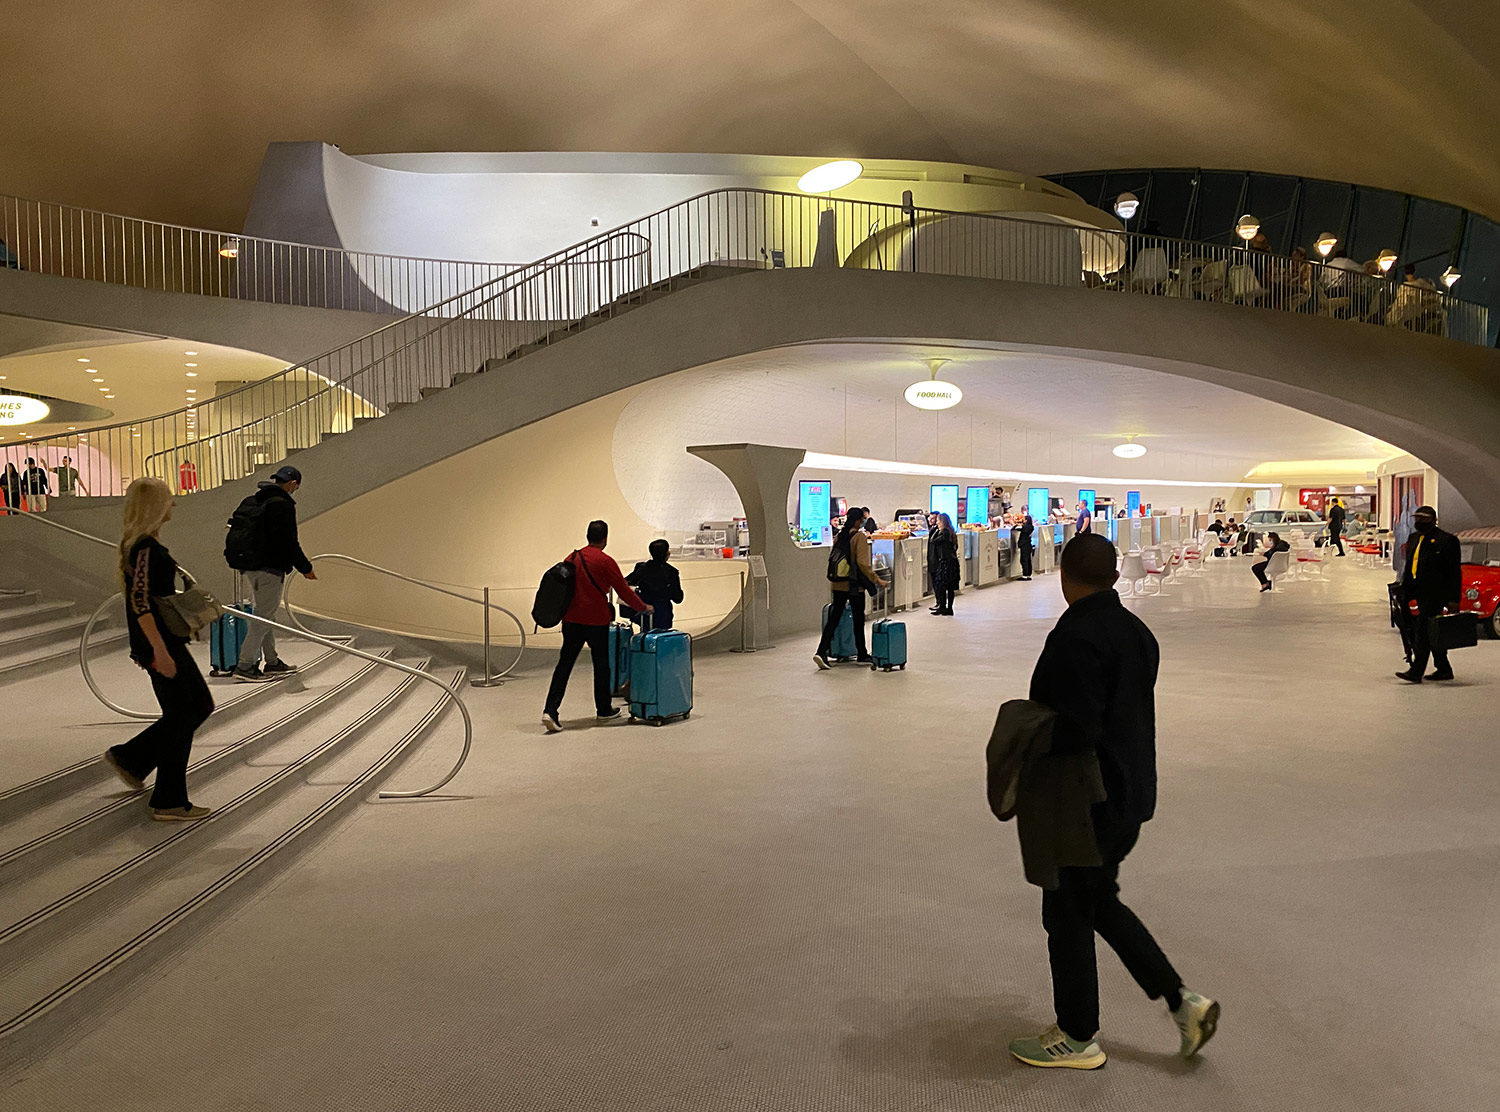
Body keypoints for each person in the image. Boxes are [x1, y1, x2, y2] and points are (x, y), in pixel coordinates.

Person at [1008, 534, 1217, 1070]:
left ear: (1063, 574)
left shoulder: (1076, 637)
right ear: (1115, 575)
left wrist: (1024, 737)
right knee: (1096, 899)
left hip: (1088, 800)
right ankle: (1182, 1002)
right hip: (1131, 791)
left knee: (1066, 910)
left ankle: (1077, 1035)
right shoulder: (1135, 631)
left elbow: (1076, 728)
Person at [102, 477, 214, 821]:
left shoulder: (139, 545)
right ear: (154, 506)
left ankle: (132, 758)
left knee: (193, 709)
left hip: (162, 642)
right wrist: (158, 651)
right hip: (161, 644)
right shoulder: (147, 549)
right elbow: (140, 604)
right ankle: (167, 800)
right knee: (185, 714)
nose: (174, 505)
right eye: (168, 499)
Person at [542, 520, 652, 732]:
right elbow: (623, 590)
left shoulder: (572, 557)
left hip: (571, 620)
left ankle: (550, 709)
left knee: (564, 665)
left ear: (587, 536)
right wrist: (643, 606)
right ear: (605, 538)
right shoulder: (605, 561)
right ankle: (603, 710)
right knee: (602, 665)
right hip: (596, 621)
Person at [225, 465, 316, 683]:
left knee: (266, 615)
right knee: (264, 617)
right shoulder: (282, 505)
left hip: (249, 566)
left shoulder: (254, 500)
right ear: (293, 484)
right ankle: (245, 665)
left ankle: (272, 661)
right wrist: (306, 568)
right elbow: (289, 542)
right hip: (269, 568)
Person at [1395, 505, 1462, 684]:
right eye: (1417, 518)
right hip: (1414, 589)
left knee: (1423, 632)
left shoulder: (1446, 540)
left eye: (1423, 518)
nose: (1419, 522)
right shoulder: (1414, 538)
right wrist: (1404, 587)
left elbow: (1454, 571)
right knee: (1430, 632)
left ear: (1433, 519)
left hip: (1436, 593)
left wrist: (1453, 599)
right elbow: (1411, 565)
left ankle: (1416, 672)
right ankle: (1444, 668)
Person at [814, 507, 886, 668]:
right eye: (862, 519)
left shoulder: (840, 536)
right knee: (858, 619)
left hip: (837, 583)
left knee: (834, 619)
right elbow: (862, 562)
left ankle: (821, 651)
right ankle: (861, 653)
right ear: (857, 520)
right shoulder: (858, 537)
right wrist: (876, 579)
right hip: (853, 585)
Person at [625, 539, 683, 630]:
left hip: (644, 614)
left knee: (644, 635)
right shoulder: (671, 572)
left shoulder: (641, 568)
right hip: (663, 615)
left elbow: (627, 582)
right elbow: (678, 598)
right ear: (666, 554)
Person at [927, 512, 961, 616]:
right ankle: (949, 608)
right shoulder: (951, 532)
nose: (937, 523)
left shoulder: (944, 533)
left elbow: (933, 541)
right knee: (950, 587)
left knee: (941, 585)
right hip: (952, 562)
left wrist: (935, 530)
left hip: (946, 563)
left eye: (938, 521)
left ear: (942, 522)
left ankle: (942, 607)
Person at [1017, 511, 1035, 580]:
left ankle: (1025, 574)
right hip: (1028, 545)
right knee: (1028, 560)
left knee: (1024, 560)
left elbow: (1017, 528)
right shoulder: (1031, 527)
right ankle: (1028, 574)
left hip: (1025, 545)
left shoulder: (1026, 527)